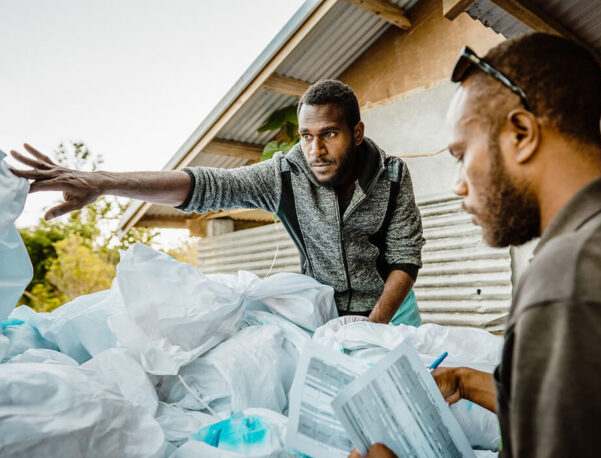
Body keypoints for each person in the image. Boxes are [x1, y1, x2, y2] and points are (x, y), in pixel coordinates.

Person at [339, 33, 601, 458]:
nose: (457, 183)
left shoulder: (572, 286)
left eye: (461, 154)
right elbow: (590, 424)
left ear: (522, 134)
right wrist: (468, 382)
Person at [9, 80, 425, 324]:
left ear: (356, 132)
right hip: (325, 315)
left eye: (329, 134)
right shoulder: (284, 175)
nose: (315, 149)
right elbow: (207, 185)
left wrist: (374, 328)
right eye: (305, 136)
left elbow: (404, 258)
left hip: (393, 312)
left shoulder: (392, 175)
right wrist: (103, 182)